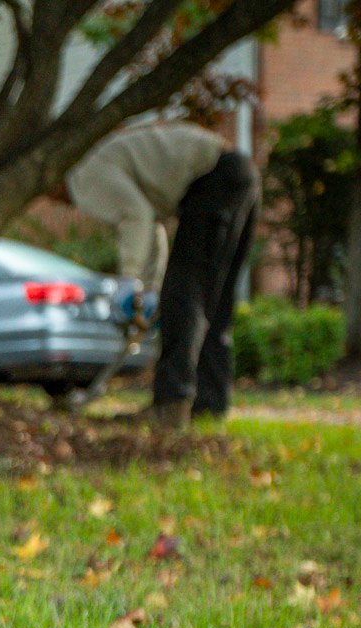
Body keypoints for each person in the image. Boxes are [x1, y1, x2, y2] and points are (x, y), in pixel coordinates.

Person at [59, 122, 259, 428]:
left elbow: (135, 216)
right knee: (214, 301)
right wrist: (151, 286)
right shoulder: (109, 159)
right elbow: (150, 224)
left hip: (211, 179)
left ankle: (171, 406)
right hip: (240, 174)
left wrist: (129, 280)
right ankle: (209, 404)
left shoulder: (83, 174)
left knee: (184, 298)